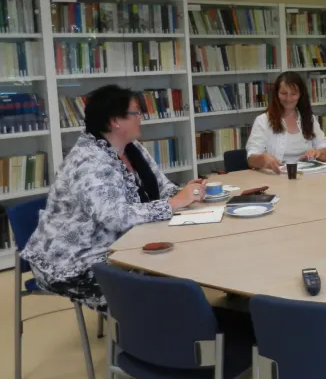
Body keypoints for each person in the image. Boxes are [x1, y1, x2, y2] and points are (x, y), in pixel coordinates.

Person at [20, 85, 206, 309]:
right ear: (115, 121)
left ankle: (162, 326)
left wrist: (186, 192)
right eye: (136, 112)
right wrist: (175, 203)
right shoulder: (89, 161)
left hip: (119, 241)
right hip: (74, 259)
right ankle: (146, 333)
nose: (141, 118)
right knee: (157, 281)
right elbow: (115, 217)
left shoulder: (131, 148)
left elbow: (161, 187)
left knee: (179, 261)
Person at [246, 71, 326, 172]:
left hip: (308, 177)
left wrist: (319, 152)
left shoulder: (309, 118)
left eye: (293, 94)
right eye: (283, 93)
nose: (288, 98)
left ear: (300, 95)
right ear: (277, 94)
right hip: (276, 178)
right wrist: (263, 159)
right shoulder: (263, 120)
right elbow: (251, 159)